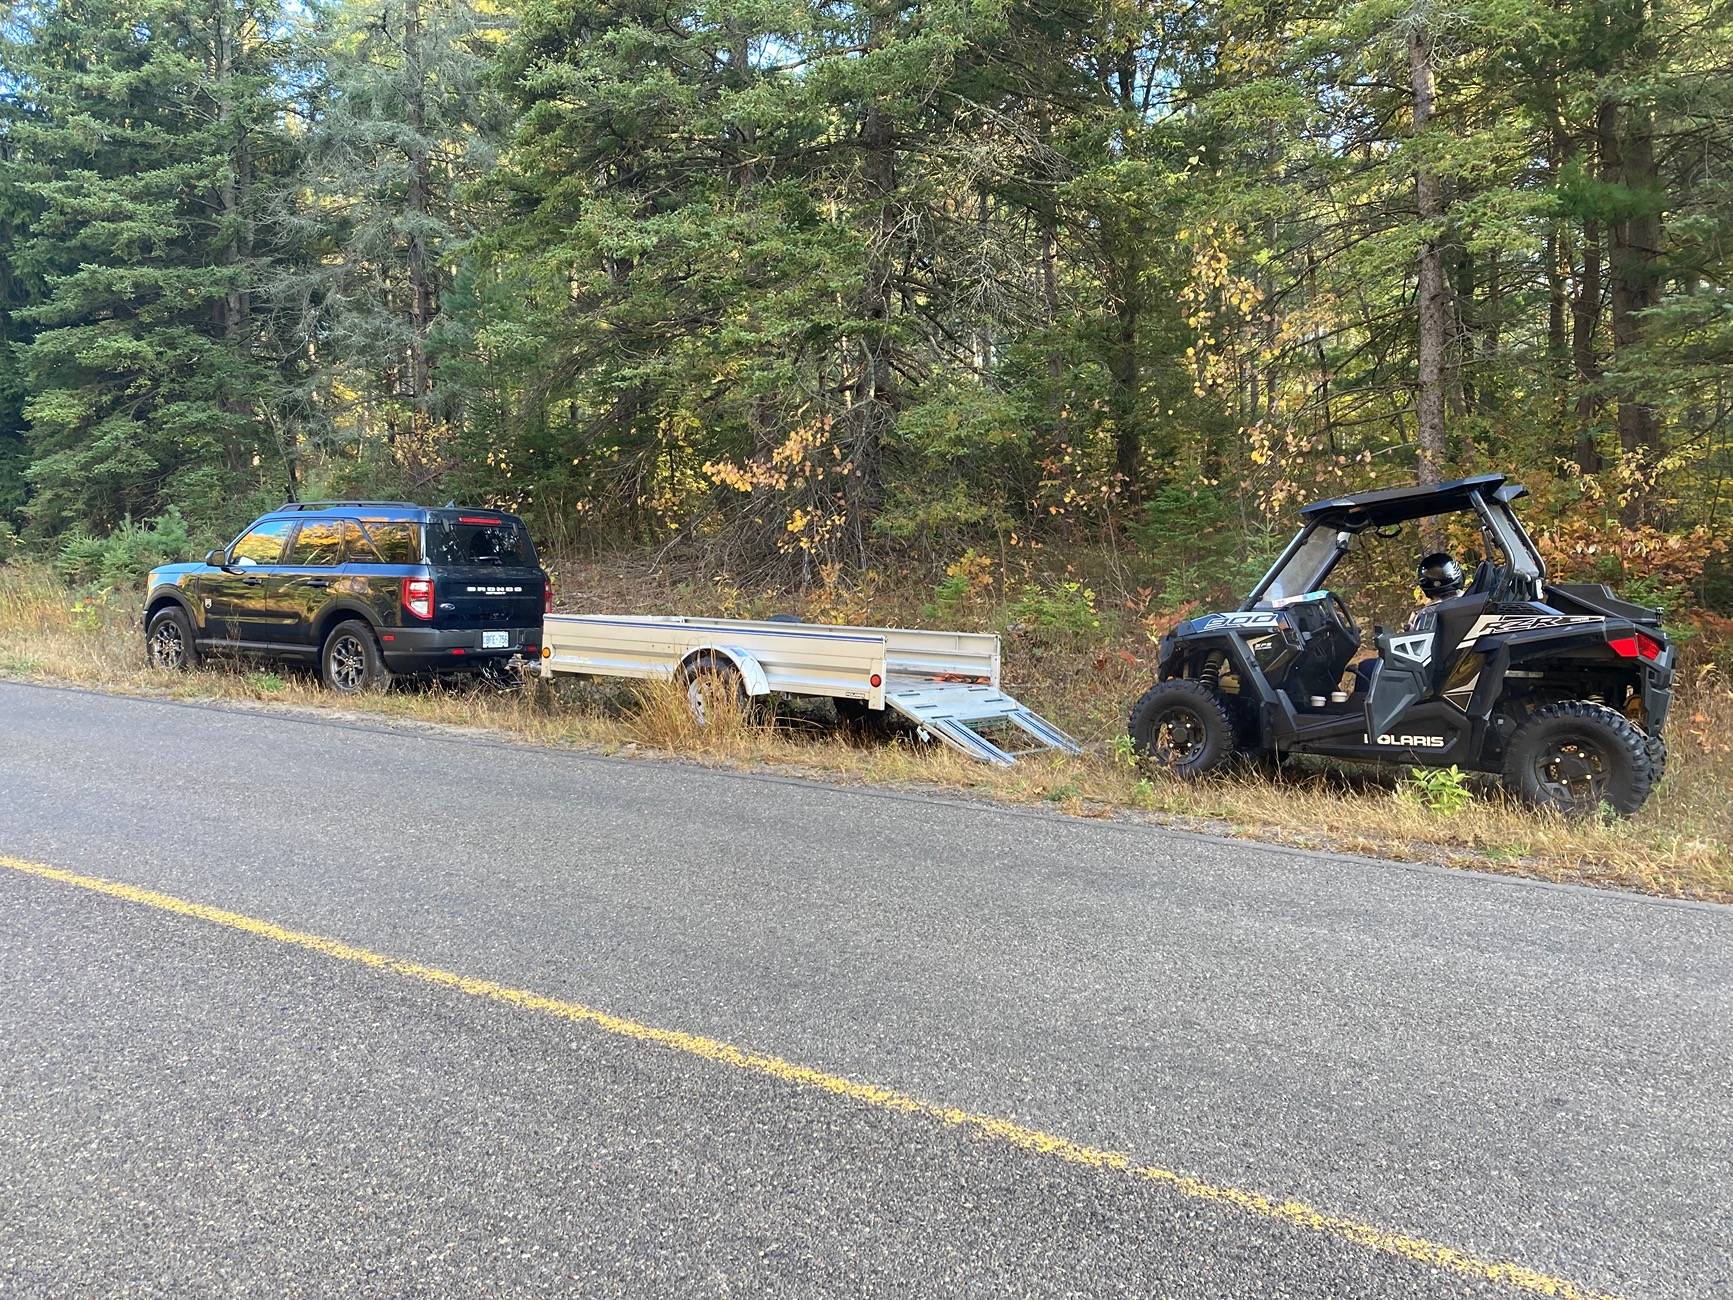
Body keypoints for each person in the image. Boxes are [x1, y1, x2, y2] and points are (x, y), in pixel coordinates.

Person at [1351, 551, 1465, 695]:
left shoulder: (1428, 613)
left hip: (1424, 677)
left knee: (1366, 667)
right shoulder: (1468, 604)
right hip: (1445, 672)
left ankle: (1362, 715)